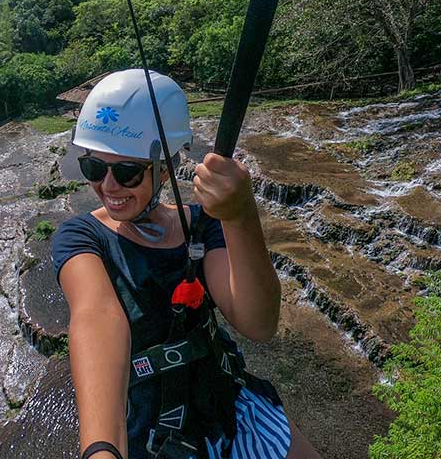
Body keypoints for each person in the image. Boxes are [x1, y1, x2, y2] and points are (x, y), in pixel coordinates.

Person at [51, 69, 320, 459]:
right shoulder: (82, 238)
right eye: (94, 167)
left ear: (165, 168)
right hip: (152, 437)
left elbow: (258, 323)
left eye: (126, 172)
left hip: (229, 408)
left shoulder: (202, 224)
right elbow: (96, 317)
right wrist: (101, 450)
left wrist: (240, 214)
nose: (108, 186)